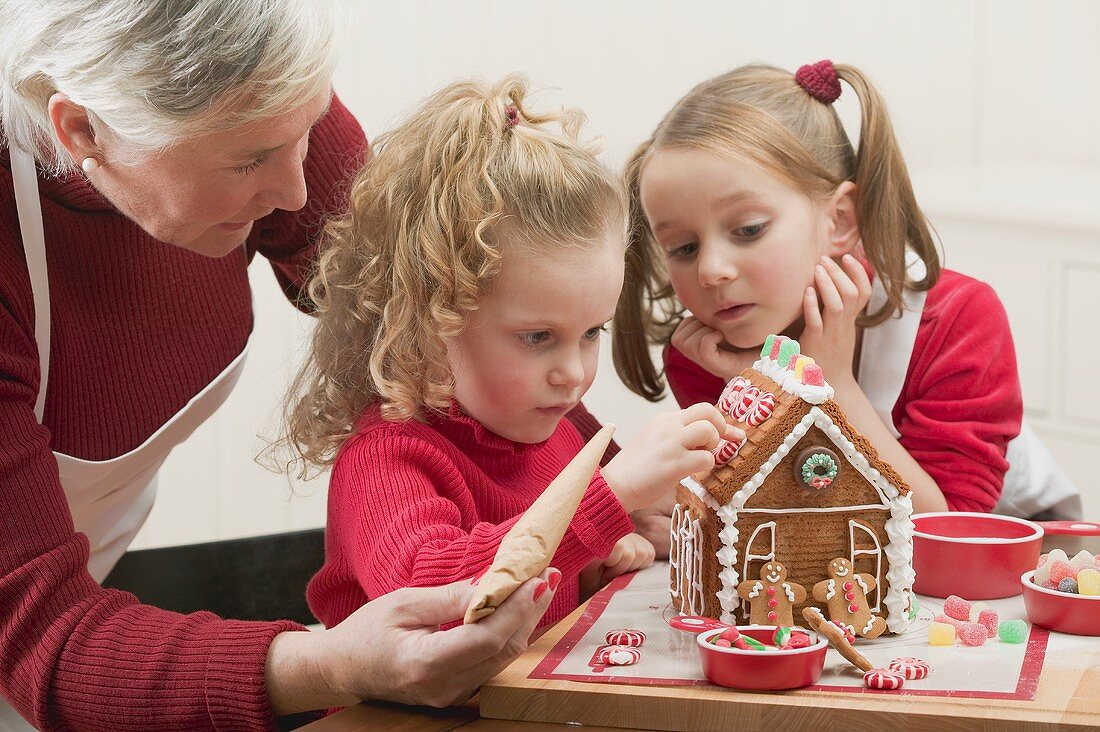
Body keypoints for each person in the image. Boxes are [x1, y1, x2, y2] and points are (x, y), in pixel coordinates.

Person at [0, 2, 558, 729]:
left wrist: (602, 477)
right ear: (82, 130)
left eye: (303, 133)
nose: (294, 192)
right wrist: (331, 663)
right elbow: (50, 639)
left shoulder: (264, 108)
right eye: (247, 163)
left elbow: (442, 321)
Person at [279, 75, 742, 633]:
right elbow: (438, 600)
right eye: (537, 337)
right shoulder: (387, 459)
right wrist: (607, 498)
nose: (573, 375)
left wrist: (598, 563)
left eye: (591, 331)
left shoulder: (565, 431)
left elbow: (576, 558)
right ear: (430, 319)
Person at [613, 59, 1047, 523]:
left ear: (838, 219)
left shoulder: (957, 320)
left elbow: (943, 532)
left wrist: (831, 385)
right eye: (683, 247)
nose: (710, 271)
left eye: (747, 229)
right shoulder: (706, 352)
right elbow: (766, 515)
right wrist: (763, 387)